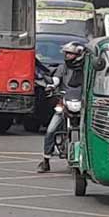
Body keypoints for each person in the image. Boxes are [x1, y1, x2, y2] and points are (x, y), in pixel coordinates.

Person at [38, 41, 85, 173]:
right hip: (64, 102)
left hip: (82, 103)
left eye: (71, 53)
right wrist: (51, 85)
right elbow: (56, 79)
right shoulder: (62, 67)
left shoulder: (86, 69)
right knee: (50, 131)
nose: (67, 56)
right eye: (66, 53)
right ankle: (46, 160)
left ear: (79, 55)